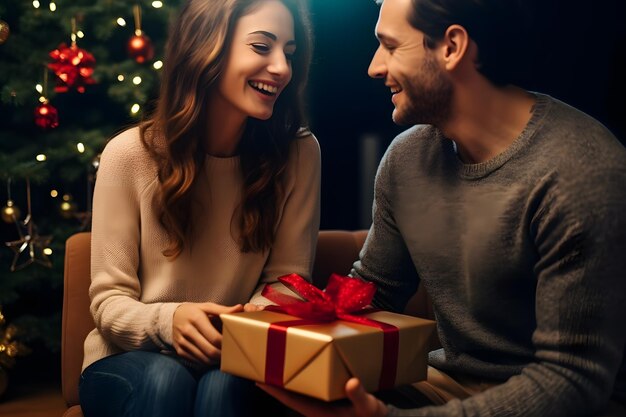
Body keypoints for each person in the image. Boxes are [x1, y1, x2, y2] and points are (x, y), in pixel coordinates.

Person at [258, 0, 626, 416]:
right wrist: (277, 328)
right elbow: (374, 291)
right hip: (437, 386)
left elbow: (572, 380)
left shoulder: (579, 170)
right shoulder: (408, 158)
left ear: (451, 47)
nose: (374, 67)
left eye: (390, 46)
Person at [78, 0, 320, 416]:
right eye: (262, 47)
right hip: (125, 361)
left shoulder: (298, 154)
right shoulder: (128, 155)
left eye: (289, 52)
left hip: (237, 353)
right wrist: (168, 322)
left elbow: (288, 283)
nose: (282, 67)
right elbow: (109, 301)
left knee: (225, 384)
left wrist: (239, 331)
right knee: (165, 378)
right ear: (206, 49)